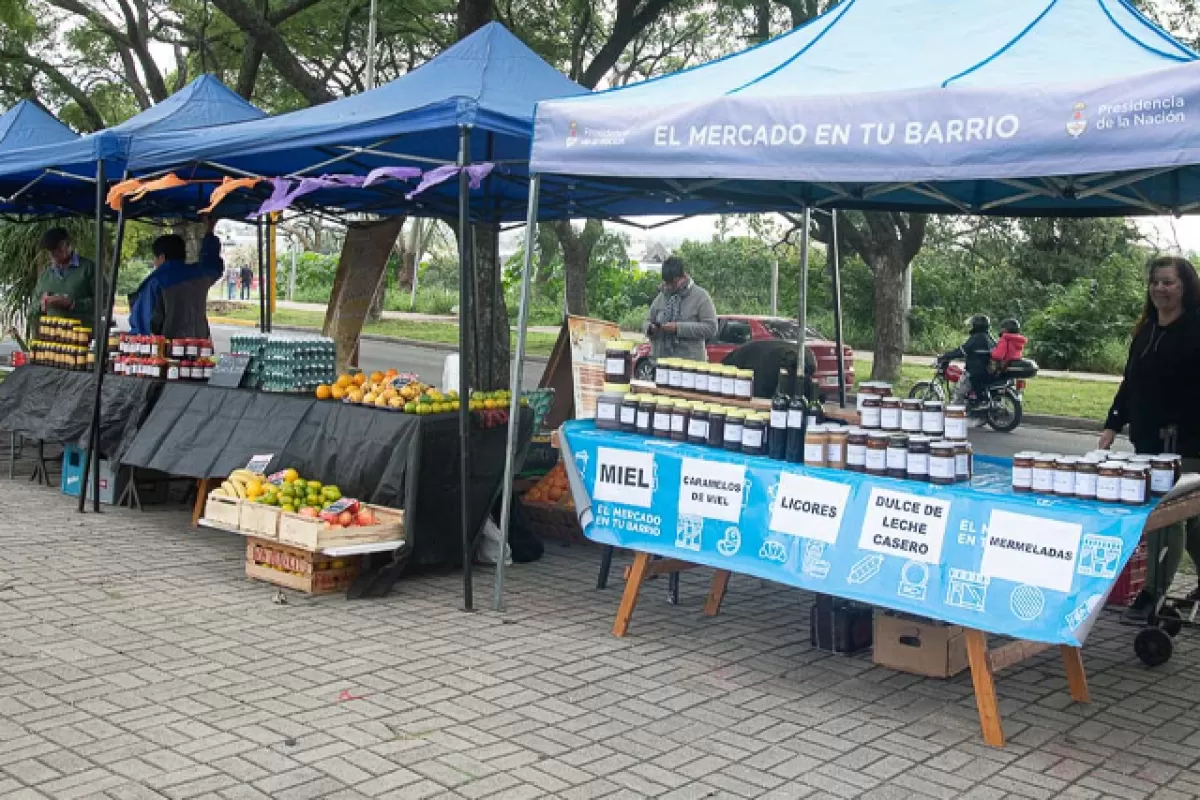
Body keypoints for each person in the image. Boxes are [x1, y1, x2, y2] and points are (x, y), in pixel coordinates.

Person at [1099, 255, 1200, 622]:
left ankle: (1153, 594)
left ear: (1185, 286)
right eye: (1156, 281)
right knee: (1193, 519)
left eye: (1169, 282)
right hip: (1148, 440)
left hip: (1187, 442)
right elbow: (1130, 383)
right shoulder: (1145, 331)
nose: (1160, 288)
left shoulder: (1195, 330)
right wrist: (1112, 423)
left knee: (1168, 516)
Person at [128, 216, 224, 338]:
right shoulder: (200, 274)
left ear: (161, 257)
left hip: (166, 351)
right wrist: (209, 232)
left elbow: (143, 324)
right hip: (199, 347)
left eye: (155, 258)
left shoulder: (156, 282)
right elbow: (213, 264)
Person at [643, 255, 717, 362]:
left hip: (690, 364)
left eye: (672, 283)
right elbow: (647, 321)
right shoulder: (661, 297)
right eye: (666, 282)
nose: (668, 287)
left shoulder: (701, 296)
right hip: (661, 362)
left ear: (683, 277)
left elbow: (711, 328)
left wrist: (678, 328)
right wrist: (651, 328)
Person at [28, 228, 97, 338]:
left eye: (57, 248)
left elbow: (105, 302)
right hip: (53, 343)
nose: (53, 253)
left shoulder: (89, 268)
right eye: (49, 250)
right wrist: (43, 305)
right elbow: (32, 308)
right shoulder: (45, 276)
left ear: (68, 244)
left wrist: (72, 304)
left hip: (82, 340)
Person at [939, 314, 995, 403]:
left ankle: (956, 413)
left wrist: (946, 355)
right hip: (987, 372)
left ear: (976, 325)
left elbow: (962, 351)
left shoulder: (976, 338)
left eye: (973, 324)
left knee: (957, 394)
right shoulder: (990, 338)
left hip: (975, 372)